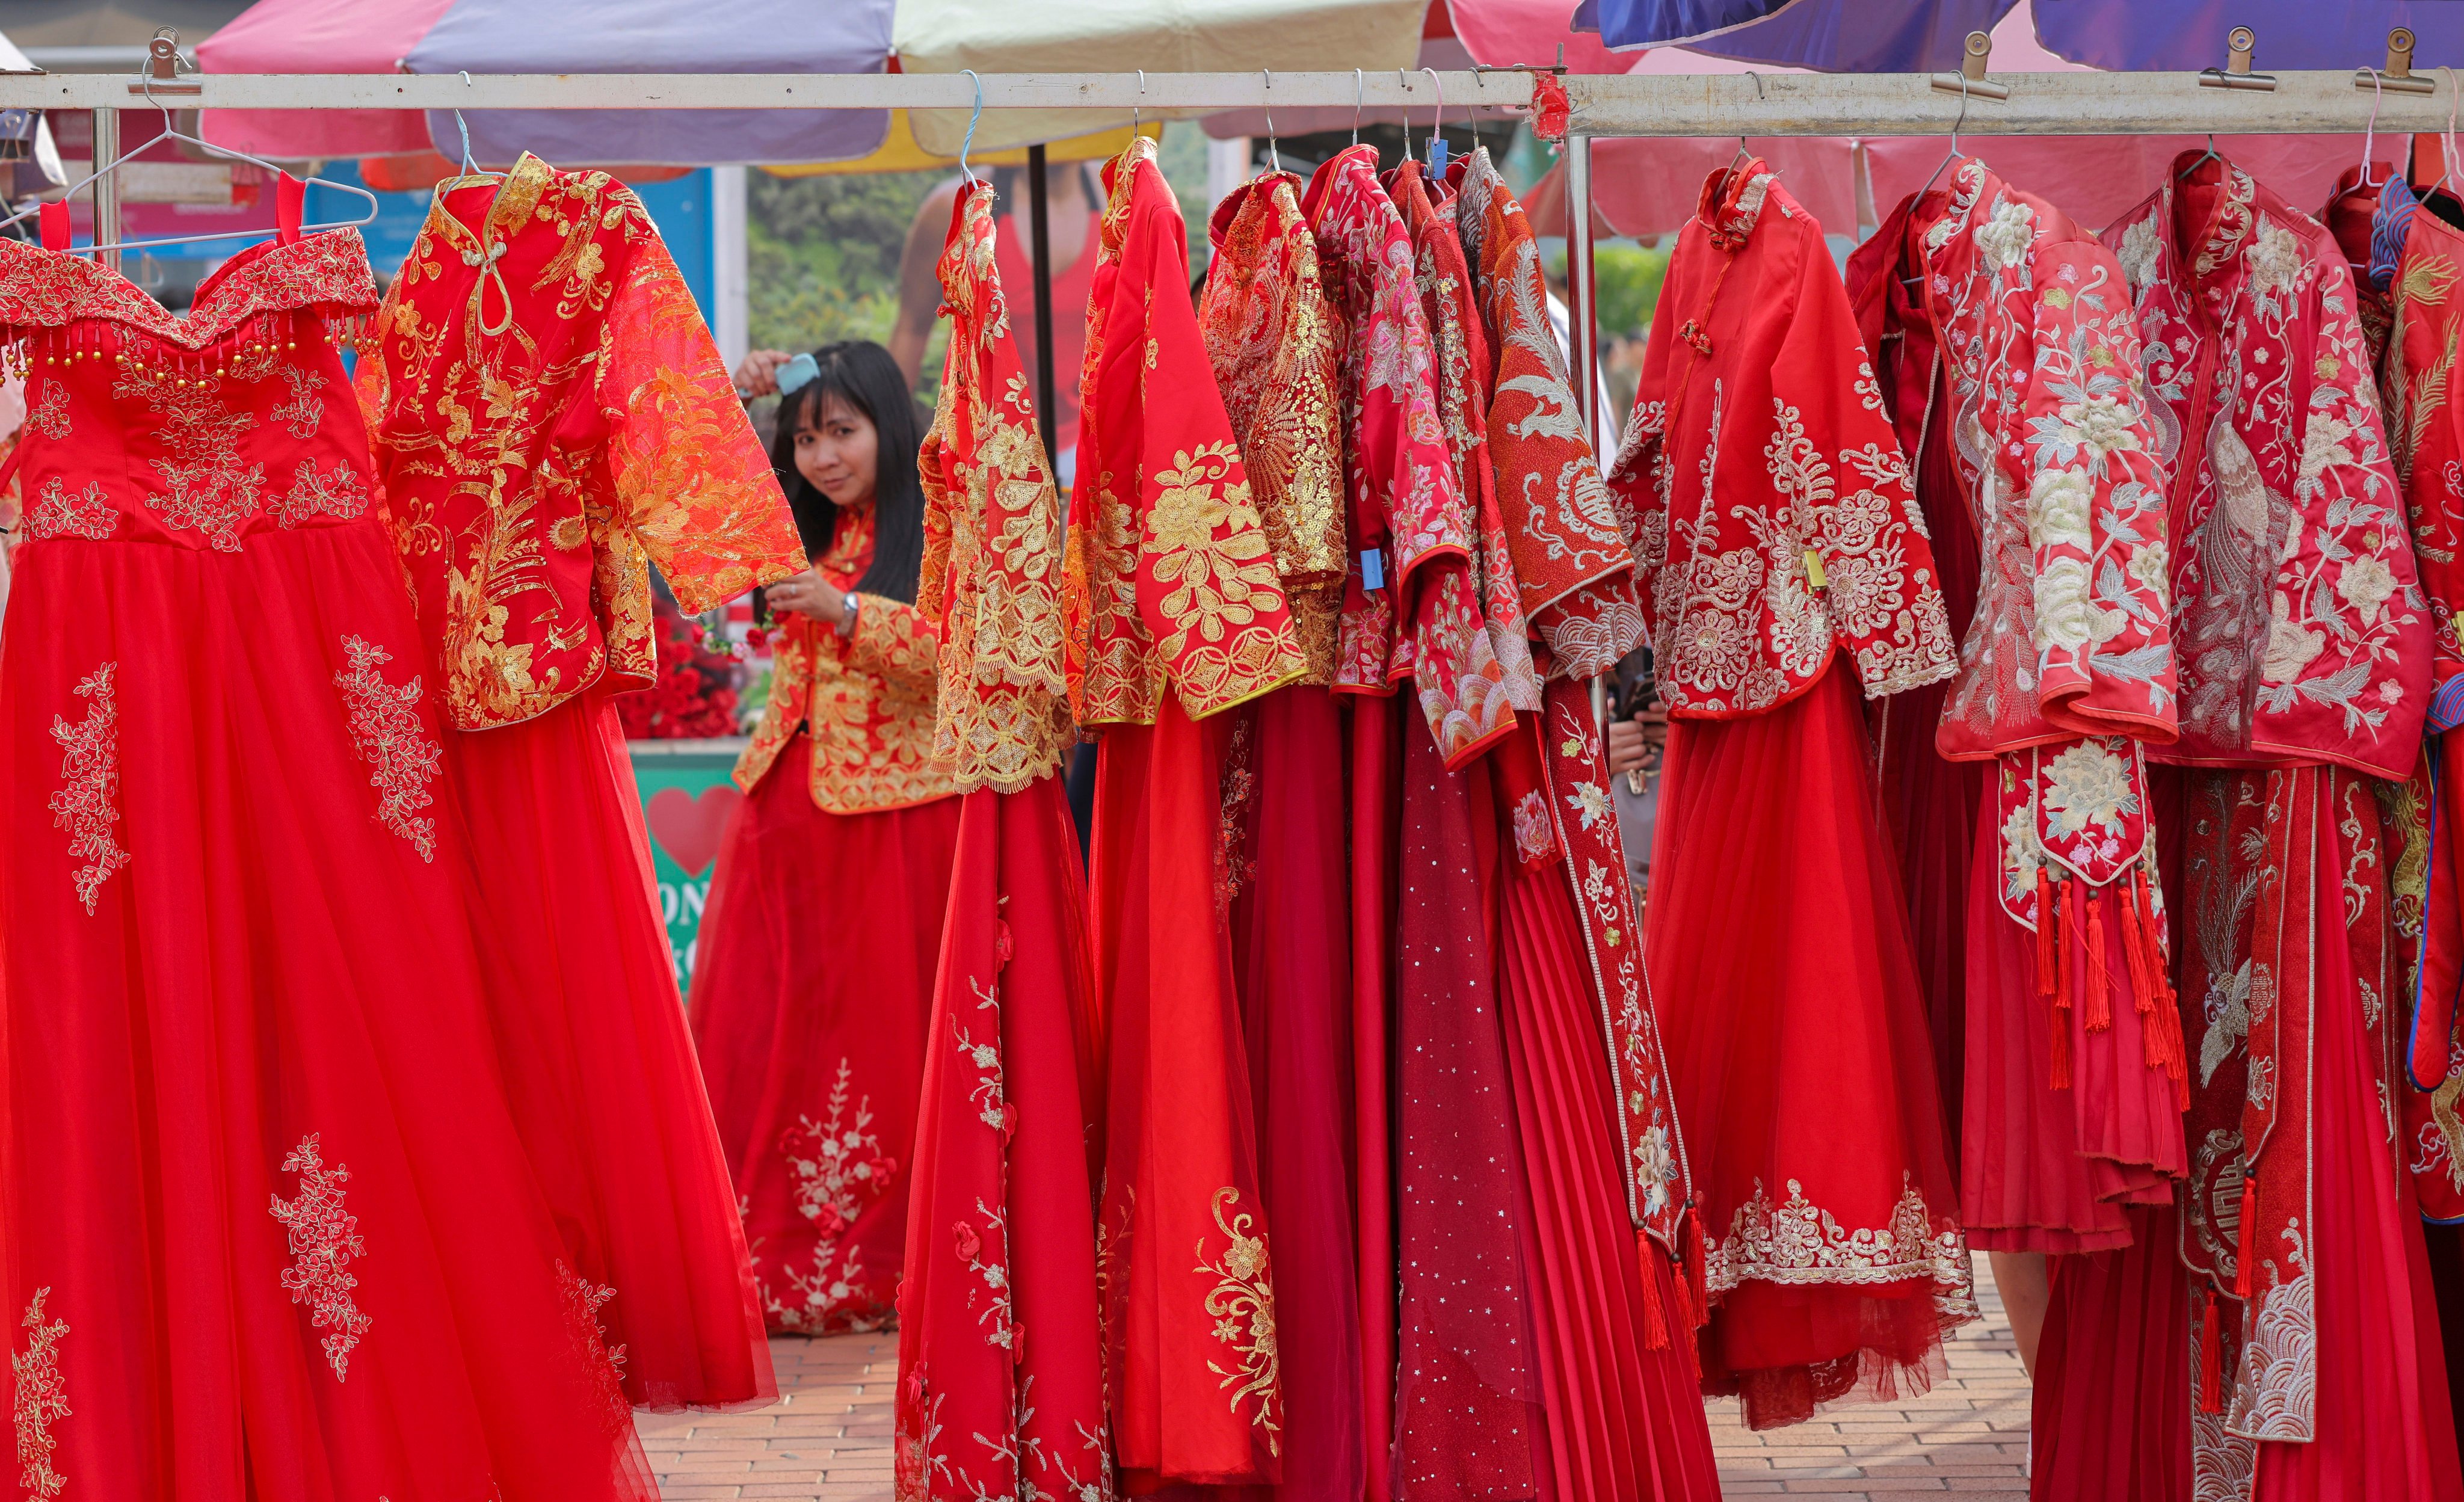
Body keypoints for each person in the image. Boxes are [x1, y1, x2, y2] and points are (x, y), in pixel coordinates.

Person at [691, 340, 963, 1335]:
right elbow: (700, 486)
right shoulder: (808, 527)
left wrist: (849, 612)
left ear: (888, 424)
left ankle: (885, 1253)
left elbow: (965, 658)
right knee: (774, 1031)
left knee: (873, 1030)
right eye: (805, 439)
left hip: (893, 817)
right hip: (788, 808)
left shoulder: (942, 527)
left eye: (842, 433)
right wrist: (741, 386)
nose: (822, 458)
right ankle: (781, 1249)